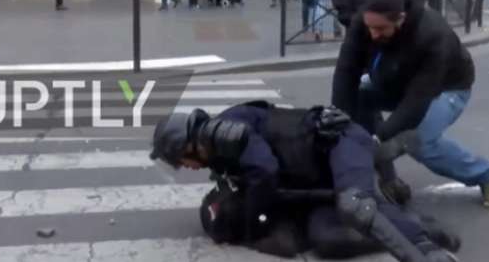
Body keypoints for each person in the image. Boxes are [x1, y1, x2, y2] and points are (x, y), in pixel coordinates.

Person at [150, 102, 461, 262]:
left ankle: (423, 241)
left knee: (358, 206)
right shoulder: (219, 153)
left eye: (179, 161)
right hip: (317, 178)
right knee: (327, 239)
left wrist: (253, 225)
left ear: (187, 146)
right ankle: (397, 203)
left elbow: (265, 171)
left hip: (339, 144)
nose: (185, 168)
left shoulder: (232, 127)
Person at [331, 0, 489, 209]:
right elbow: (346, 72)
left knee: (421, 142)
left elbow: (417, 100)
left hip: (446, 88)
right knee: (358, 96)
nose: (373, 35)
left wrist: (381, 135)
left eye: (381, 29)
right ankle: (389, 178)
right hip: (393, 82)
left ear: (401, 19)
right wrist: (337, 118)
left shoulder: (432, 35)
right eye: (369, 28)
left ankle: (485, 175)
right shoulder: (365, 22)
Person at [199, 179, 461, 259]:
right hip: (319, 199)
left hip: (326, 196)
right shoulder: (238, 193)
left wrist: (253, 242)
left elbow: (288, 245)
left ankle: (423, 231)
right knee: (328, 236)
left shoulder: (253, 202)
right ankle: (412, 224)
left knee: (329, 241)